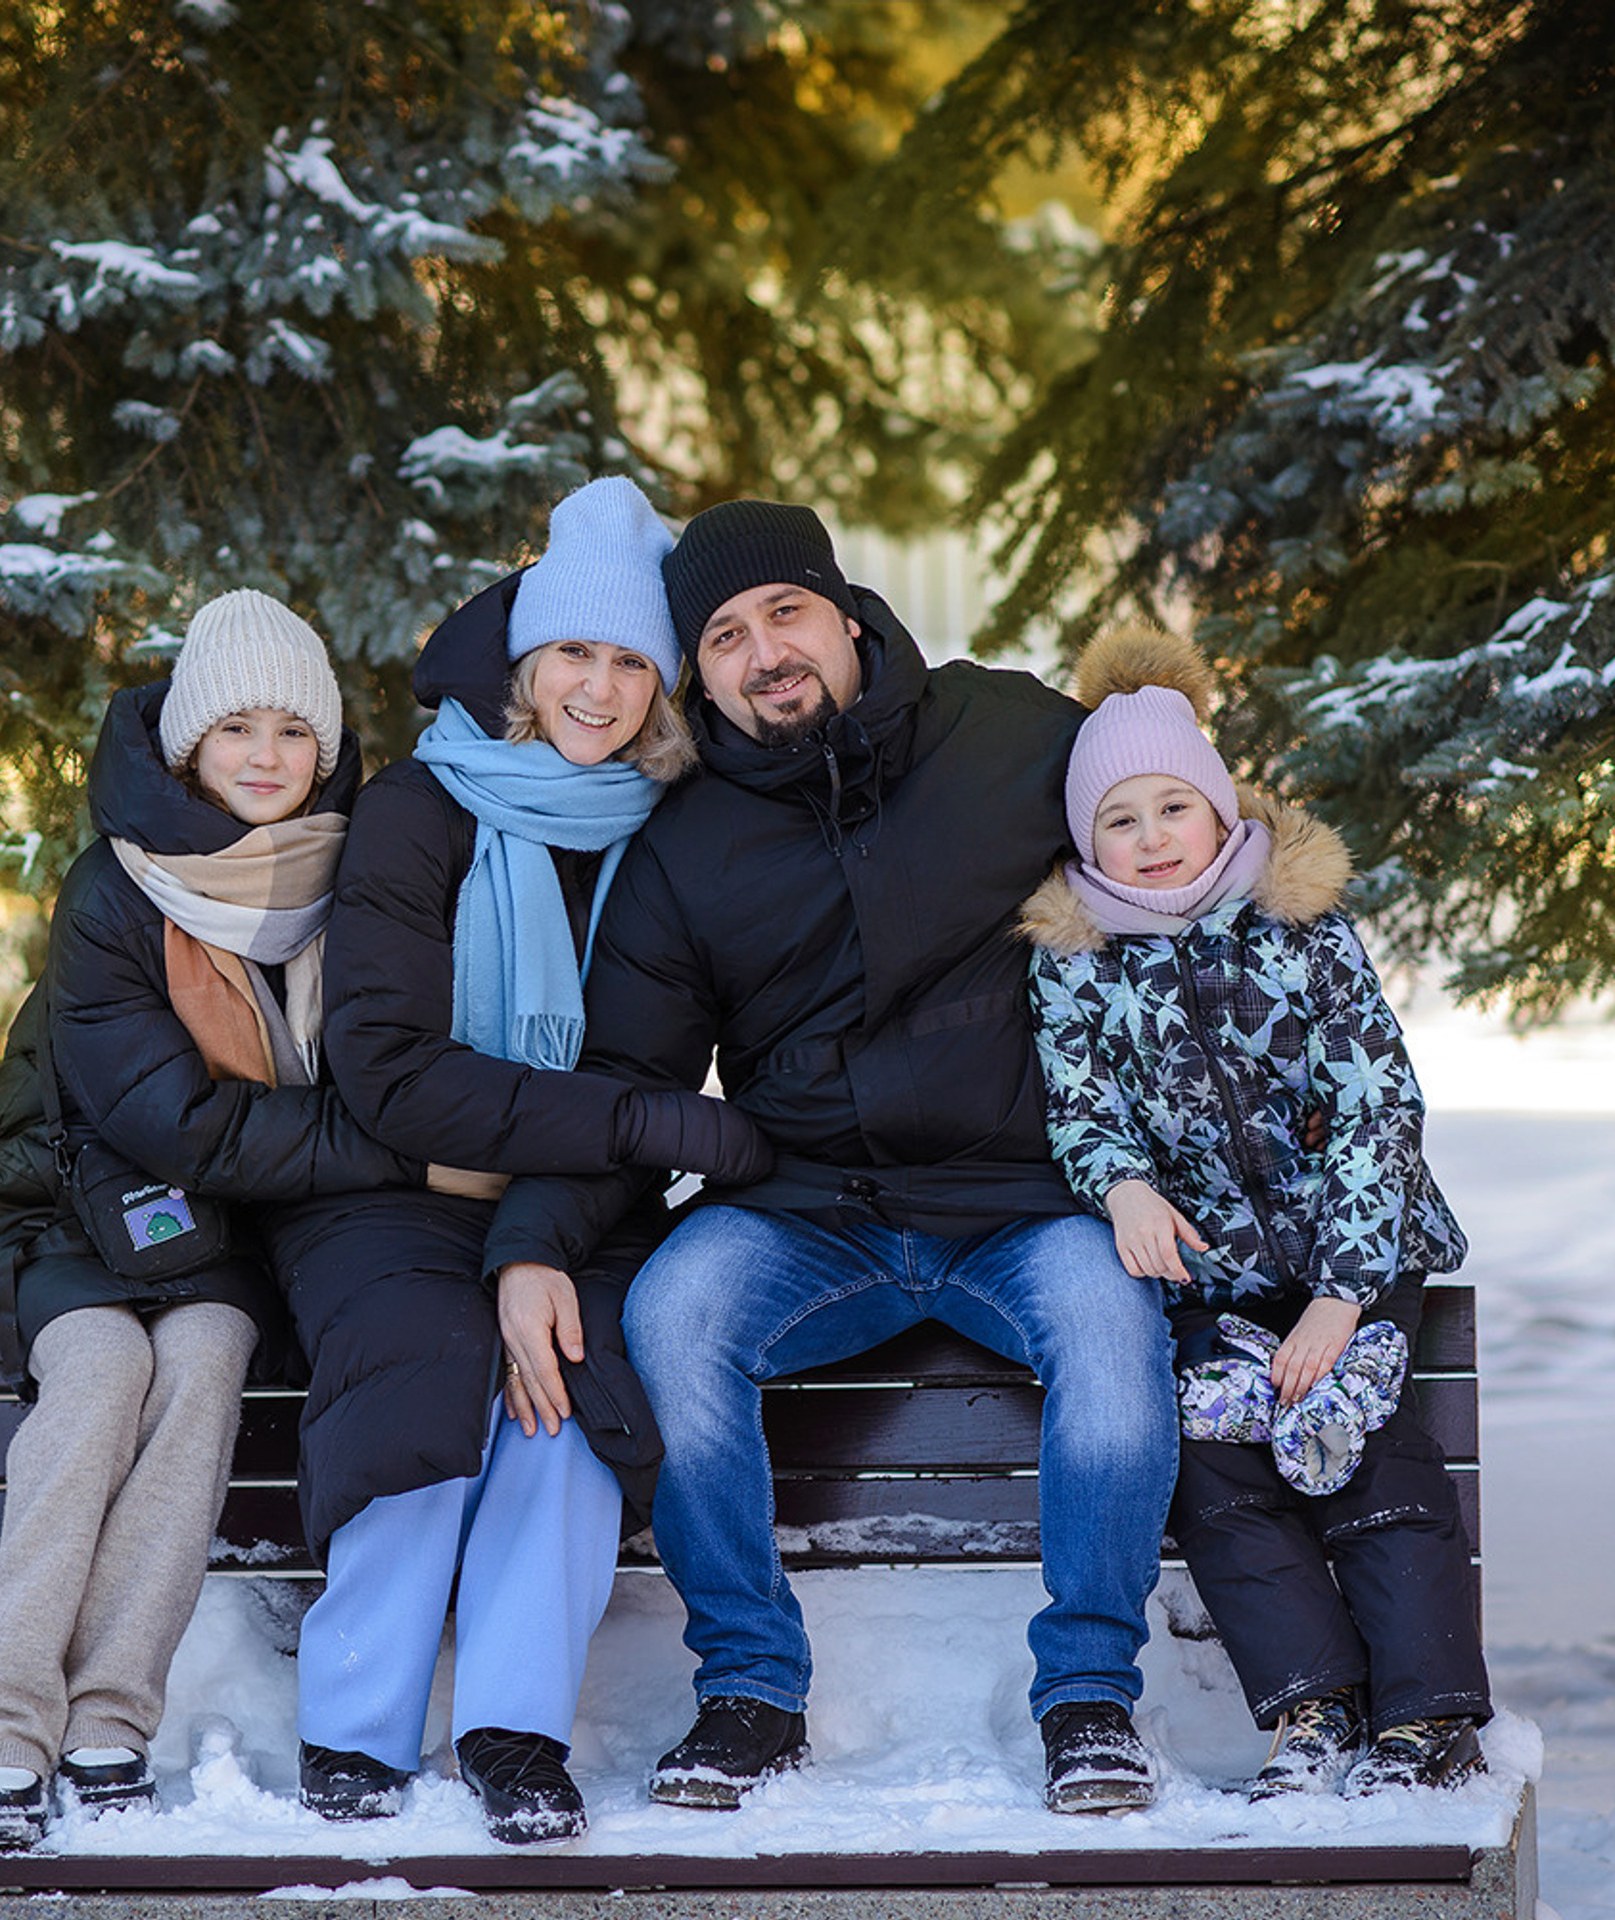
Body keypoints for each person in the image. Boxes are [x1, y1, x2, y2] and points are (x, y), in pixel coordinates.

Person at [483, 499, 1181, 1817]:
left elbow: (1179, 842)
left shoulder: (1014, 738)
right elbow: (624, 1084)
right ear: (703, 673)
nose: (765, 654)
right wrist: (530, 1242)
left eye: (784, 614)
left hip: (1029, 1204)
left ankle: (1089, 1692)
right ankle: (749, 1686)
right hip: (811, 1214)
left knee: (1109, 1318)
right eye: (726, 638)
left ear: (845, 612)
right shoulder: (685, 844)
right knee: (676, 1308)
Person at [270, 476, 772, 1845]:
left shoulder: (665, 834)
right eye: (573, 655)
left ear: (663, 688)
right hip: (383, 1197)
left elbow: (644, 1058)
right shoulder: (421, 812)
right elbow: (392, 1074)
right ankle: (356, 1730)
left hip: (571, 1207)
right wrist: (649, 1125)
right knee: (426, 1370)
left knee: (563, 1395)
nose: (598, 689)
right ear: (523, 665)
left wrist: (537, 1232)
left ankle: (514, 1732)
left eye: (629, 663)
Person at [0, 590, 423, 1851]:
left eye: (291, 731)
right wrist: (379, 1148)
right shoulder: (118, 887)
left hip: (223, 1231)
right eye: (235, 730)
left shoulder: (361, 870)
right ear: (186, 748)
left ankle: (109, 1716)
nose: (265, 757)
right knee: (99, 1374)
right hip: (60, 1201)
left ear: (326, 746)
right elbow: (171, 1119)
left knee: (203, 1366)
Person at [1020, 622, 1492, 1798]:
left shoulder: (1297, 921)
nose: (1150, 839)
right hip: (1211, 1275)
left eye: (1172, 807)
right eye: (1117, 820)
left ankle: (1426, 1716)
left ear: (1218, 806)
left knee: (1358, 1443)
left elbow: (1379, 1100)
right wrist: (1121, 1184)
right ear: (1088, 839)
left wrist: (1342, 1297)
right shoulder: (1076, 956)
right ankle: (1315, 1707)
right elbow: (1079, 1106)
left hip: (1357, 1247)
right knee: (1222, 1471)